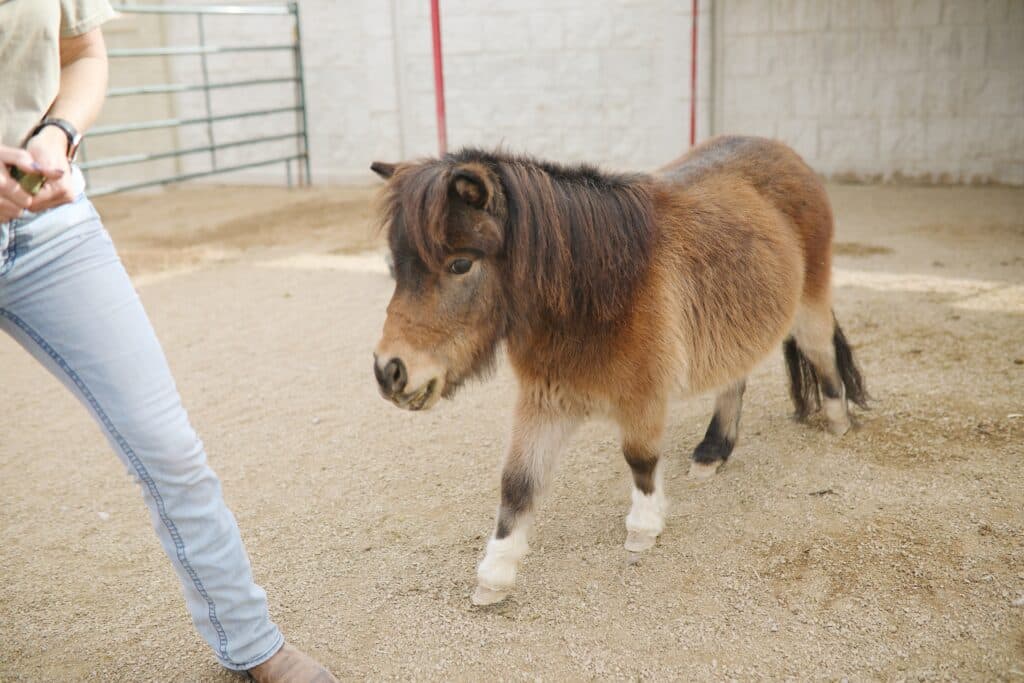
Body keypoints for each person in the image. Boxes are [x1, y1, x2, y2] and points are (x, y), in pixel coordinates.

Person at [0, 3, 338, 680]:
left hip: (47, 219)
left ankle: (252, 643)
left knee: (169, 444)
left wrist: (58, 135)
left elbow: (83, 55)